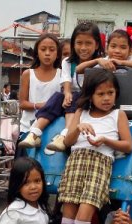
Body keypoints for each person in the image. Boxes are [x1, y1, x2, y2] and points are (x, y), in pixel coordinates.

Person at [36, 69, 132, 224]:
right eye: (101, 94)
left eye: (111, 92)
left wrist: (106, 140)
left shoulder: (118, 115)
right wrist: (78, 127)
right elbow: (68, 142)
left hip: (99, 166)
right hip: (76, 163)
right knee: (67, 218)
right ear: (90, 95)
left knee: (83, 218)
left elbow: (128, 145)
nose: (107, 98)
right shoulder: (82, 112)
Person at [18, 22, 105, 151]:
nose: (83, 47)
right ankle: (35, 132)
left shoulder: (102, 63)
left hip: (88, 101)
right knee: (58, 96)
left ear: (96, 44)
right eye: (79, 43)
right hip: (71, 100)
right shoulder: (68, 62)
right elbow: (66, 81)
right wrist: (67, 93)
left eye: (88, 43)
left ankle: (64, 135)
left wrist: (97, 61)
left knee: (75, 97)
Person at [17, 33, 61, 142]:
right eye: (43, 49)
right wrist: (39, 105)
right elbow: (22, 103)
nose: (47, 53)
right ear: (37, 52)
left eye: (52, 50)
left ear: (58, 53)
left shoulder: (62, 74)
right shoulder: (28, 74)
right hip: (27, 128)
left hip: (54, 131)